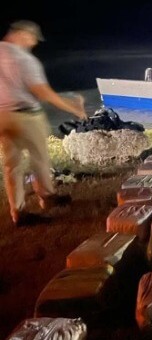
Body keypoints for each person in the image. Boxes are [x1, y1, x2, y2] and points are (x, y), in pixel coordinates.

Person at [0, 20, 87, 226]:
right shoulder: (25, 60)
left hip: (3, 115)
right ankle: (47, 197)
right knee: (39, 157)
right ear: (21, 34)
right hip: (26, 116)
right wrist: (74, 108)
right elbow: (43, 93)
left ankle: (18, 212)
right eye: (32, 38)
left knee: (12, 165)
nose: (32, 43)